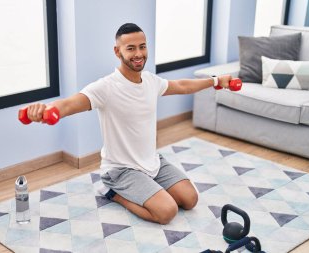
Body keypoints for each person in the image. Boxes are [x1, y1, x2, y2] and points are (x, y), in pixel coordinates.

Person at [26, 23, 232, 224]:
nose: (139, 54)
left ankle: (147, 186)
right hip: (121, 169)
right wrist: (47, 110)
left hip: (152, 162)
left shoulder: (151, 81)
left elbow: (182, 85)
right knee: (167, 212)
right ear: (117, 51)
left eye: (142, 46)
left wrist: (215, 81)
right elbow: (70, 104)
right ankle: (113, 193)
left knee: (190, 199)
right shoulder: (106, 87)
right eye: (131, 48)